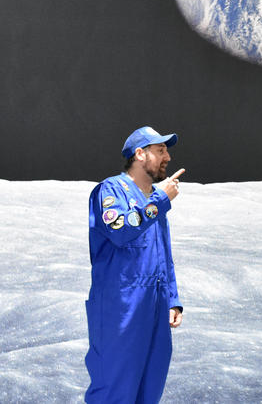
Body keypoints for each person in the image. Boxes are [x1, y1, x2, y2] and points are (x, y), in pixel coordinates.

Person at [84, 126, 186, 404]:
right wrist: (160, 200)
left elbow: (163, 254)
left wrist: (172, 299)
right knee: (114, 387)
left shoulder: (155, 197)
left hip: (154, 304)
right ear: (140, 154)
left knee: (149, 387)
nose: (167, 157)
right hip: (121, 306)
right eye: (160, 150)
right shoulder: (110, 190)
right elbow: (120, 229)